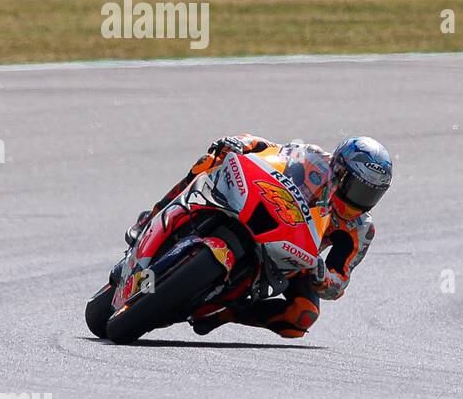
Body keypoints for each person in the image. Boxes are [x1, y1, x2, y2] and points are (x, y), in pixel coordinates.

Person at [124, 134, 392, 338]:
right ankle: (153, 215)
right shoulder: (313, 160)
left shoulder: (360, 229)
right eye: (358, 189)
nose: (362, 201)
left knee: (303, 317)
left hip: (295, 258)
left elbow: (339, 283)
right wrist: (241, 143)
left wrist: (321, 274)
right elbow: (268, 150)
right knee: (213, 158)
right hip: (262, 211)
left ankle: (227, 312)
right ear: (340, 171)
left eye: (371, 195)